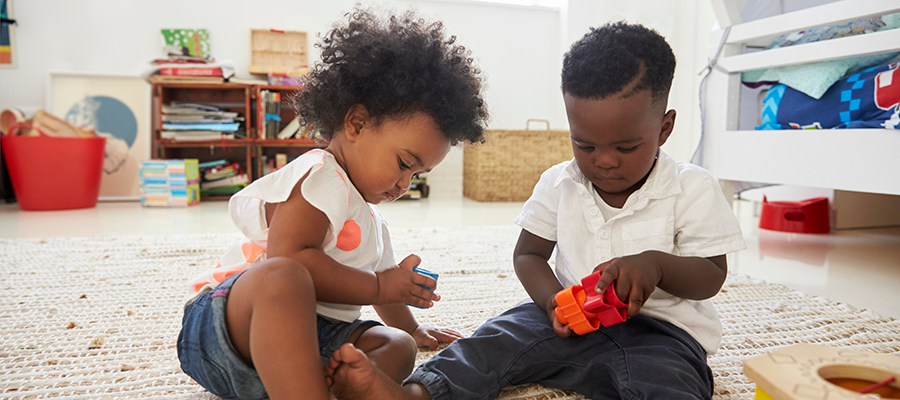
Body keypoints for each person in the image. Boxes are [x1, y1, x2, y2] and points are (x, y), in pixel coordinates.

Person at [326, 21, 746, 400]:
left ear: (664, 128)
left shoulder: (691, 187)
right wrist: (552, 303)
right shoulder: (560, 183)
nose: (604, 161)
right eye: (585, 145)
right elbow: (528, 255)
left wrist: (655, 265)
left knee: (672, 380)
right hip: (565, 320)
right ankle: (417, 394)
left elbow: (712, 275)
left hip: (662, 337)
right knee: (493, 339)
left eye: (625, 147)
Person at [176, 7, 489, 400]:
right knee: (284, 276)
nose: (405, 184)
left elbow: (384, 283)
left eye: (417, 176)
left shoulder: (371, 222)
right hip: (230, 330)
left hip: (313, 339)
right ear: (356, 124)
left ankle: (325, 385)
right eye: (404, 164)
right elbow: (289, 257)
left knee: (397, 348)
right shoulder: (320, 176)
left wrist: (410, 328)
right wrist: (379, 287)